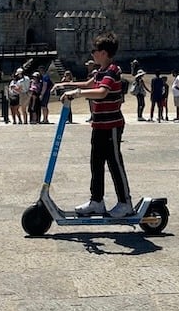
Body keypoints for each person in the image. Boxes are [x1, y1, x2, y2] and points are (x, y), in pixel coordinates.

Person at [56, 31, 134, 218]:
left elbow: (101, 92)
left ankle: (125, 203)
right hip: (99, 125)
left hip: (112, 125)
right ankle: (96, 201)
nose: (92, 53)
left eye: (95, 50)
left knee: (115, 163)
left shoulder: (112, 70)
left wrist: (76, 94)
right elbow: (90, 84)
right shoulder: (100, 71)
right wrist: (65, 86)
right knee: (96, 163)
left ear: (104, 53)